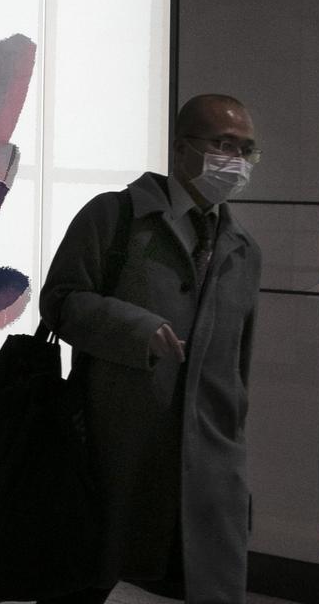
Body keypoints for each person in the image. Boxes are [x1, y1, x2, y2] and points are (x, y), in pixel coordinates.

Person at [37, 94, 262, 604]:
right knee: (84, 575)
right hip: (113, 439)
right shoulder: (115, 217)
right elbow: (60, 301)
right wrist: (134, 328)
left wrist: (233, 447)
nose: (237, 161)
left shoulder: (242, 249)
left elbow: (238, 366)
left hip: (204, 452)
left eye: (247, 150)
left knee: (210, 580)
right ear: (182, 149)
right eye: (224, 144)